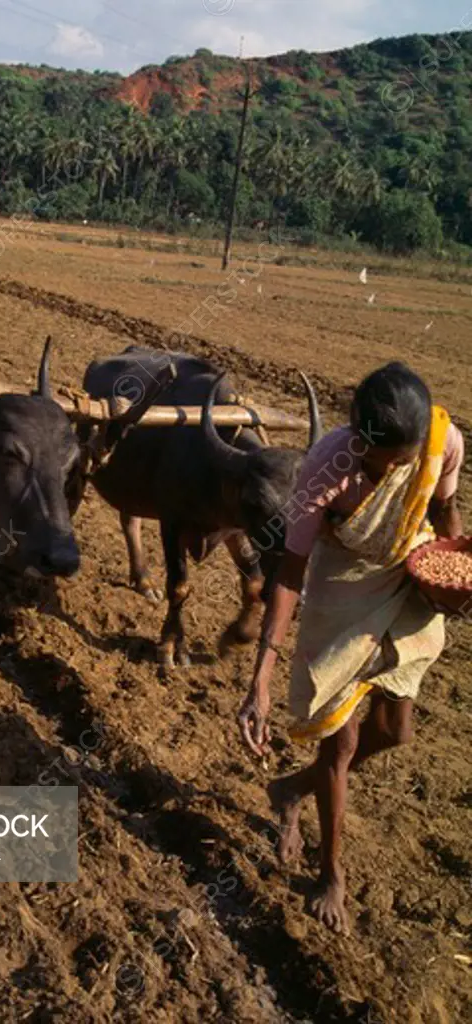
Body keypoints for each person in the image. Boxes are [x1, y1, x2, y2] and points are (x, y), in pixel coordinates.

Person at [238, 361, 464, 935]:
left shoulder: (441, 442)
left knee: (395, 732)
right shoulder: (326, 469)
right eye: (392, 460)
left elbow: (441, 510)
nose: (403, 468)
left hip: (406, 579)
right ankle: (330, 872)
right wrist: (260, 678)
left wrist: (459, 565)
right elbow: (291, 573)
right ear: (361, 441)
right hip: (341, 591)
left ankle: (290, 788)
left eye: (411, 457)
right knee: (340, 744)